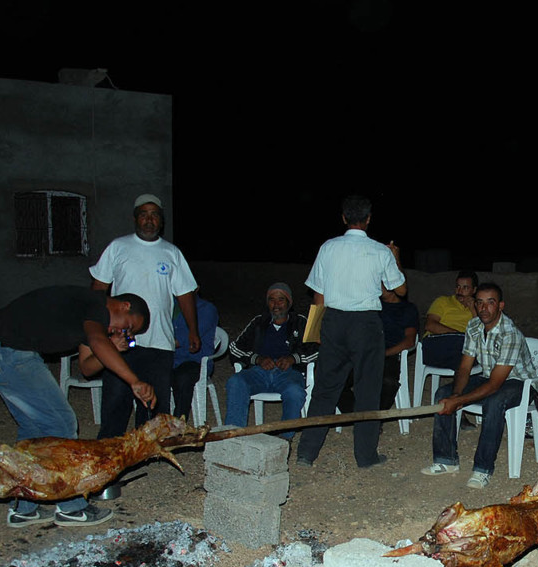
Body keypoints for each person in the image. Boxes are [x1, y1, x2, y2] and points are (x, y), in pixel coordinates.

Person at [0, 286, 153, 528]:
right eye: (128, 326)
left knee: (33, 430)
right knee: (61, 423)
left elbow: (87, 367)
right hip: (10, 355)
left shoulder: (90, 322)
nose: (123, 332)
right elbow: (98, 342)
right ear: (124, 306)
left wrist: (111, 347)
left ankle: (24, 508)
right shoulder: (95, 304)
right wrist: (134, 380)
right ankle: (72, 507)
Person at [295, 196, 406, 468]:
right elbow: (401, 290)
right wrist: (396, 257)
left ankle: (306, 453)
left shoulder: (328, 247)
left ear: (344, 217)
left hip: (334, 321)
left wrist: (315, 331)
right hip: (365, 324)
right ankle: (365, 457)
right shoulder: (380, 251)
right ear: (368, 219)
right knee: (368, 389)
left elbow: (318, 294)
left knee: (325, 388)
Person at [89, 194, 200, 438]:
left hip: (159, 341)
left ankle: (149, 451)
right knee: (116, 400)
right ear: (135, 219)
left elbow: (185, 295)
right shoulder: (118, 247)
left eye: (154, 215)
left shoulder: (171, 253)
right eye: (143, 215)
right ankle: (109, 449)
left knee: (154, 406)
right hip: (122, 341)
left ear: (161, 221)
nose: (149, 220)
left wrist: (193, 330)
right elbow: (98, 290)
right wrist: (98, 329)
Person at [421, 282, 537, 490]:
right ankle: (446, 460)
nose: (484, 308)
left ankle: (483, 469)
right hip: (489, 377)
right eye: (480, 303)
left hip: (519, 383)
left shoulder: (509, 334)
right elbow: (465, 366)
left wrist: (460, 400)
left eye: (490, 303)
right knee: (443, 393)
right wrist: (456, 395)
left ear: (500, 305)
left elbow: (495, 385)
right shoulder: (474, 326)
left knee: (494, 402)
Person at [225, 283, 318, 436]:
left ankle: (284, 439)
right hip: (259, 372)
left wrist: (293, 359)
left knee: (295, 392)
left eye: (281, 300)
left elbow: (317, 351)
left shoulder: (300, 322)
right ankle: (233, 437)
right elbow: (234, 348)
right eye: (272, 300)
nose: (276, 305)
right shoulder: (259, 322)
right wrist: (257, 359)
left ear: (289, 302)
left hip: (289, 373)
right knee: (235, 382)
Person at [338, 283, 419, 412]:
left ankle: (369, 416)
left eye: (381, 282)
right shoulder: (370, 305)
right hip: (363, 351)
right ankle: (359, 415)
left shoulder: (407, 309)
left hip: (388, 354)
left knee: (388, 383)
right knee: (335, 379)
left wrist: (384, 353)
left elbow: (409, 341)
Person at [171, 294, 220, 420]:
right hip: (171, 358)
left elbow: (182, 340)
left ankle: (178, 422)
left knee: (183, 377)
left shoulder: (206, 309)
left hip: (195, 360)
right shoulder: (169, 305)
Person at [420, 271, 478, 369]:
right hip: (437, 342)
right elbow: (430, 325)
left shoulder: (478, 308)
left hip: (464, 347)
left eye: (465, 288)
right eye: (458, 287)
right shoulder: (443, 301)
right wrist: (457, 335)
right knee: (467, 349)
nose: (460, 291)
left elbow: (480, 332)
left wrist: (473, 309)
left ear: (474, 290)